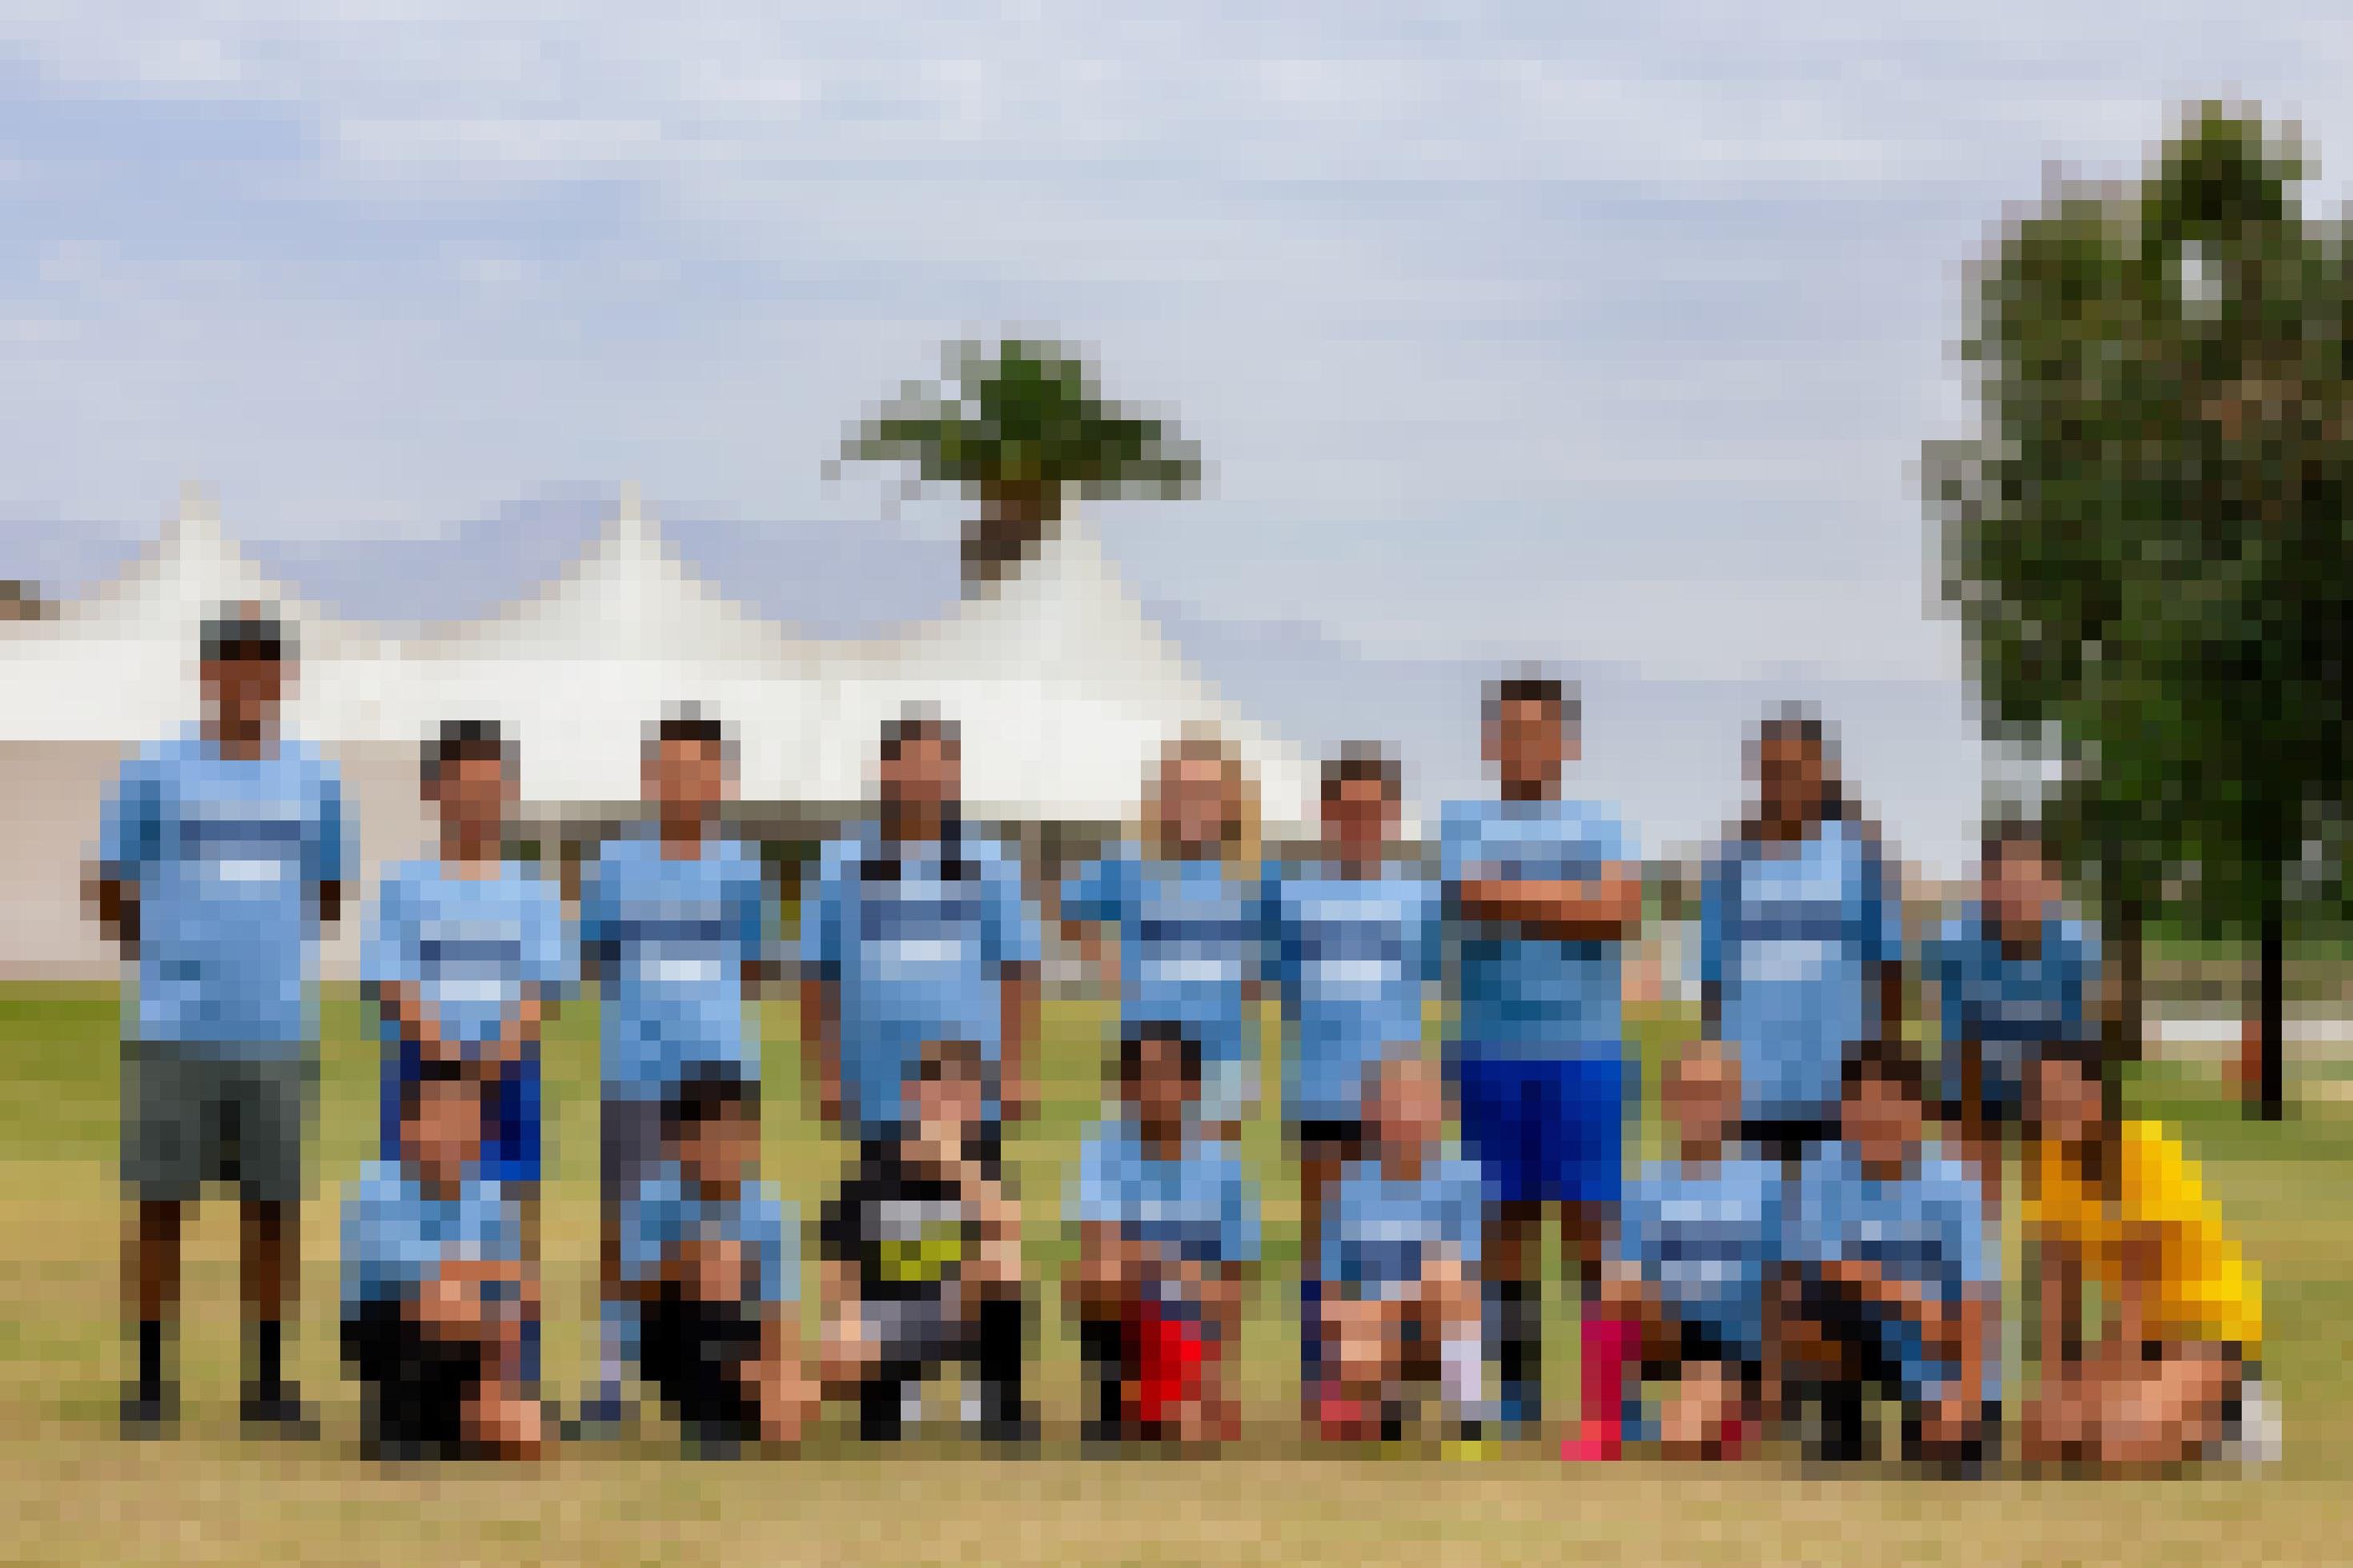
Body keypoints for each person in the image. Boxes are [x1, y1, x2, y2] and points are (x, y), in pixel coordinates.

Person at [93, 604, 351, 1438]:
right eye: (231, 664)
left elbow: (327, 895)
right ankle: (148, 1383)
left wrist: (259, 951)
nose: (247, 680)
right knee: (159, 1202)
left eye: (263, 665)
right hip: (173, 1028)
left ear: (285, 678)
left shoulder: (316, 778)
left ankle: (268, 1384)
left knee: (272, 1208)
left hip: (276, 1026)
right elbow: (111, 883)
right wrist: (163, 954)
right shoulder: (154, 770)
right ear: (206, 675)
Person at [1439, 672, 1644, 1451]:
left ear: (1568, 743)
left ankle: (1603, 1400)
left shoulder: (1601, 824)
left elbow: (1619, 914)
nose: (1526, 745)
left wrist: (1514, 898)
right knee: (1503, 1228)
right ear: (1490, 741)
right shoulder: (1463, 820)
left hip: (1585, 1050)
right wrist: (1570, 903)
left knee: (1592, 1229)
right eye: (1511, 730)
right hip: (1489, 1049)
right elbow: (1468, 898)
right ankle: (1518, 1394)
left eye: (1541, 730)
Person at [576, 708, 773, 1433]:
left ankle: (726, 1366)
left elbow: (751, 968)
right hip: (634, 1071)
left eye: (701, 769)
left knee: (725, 1228)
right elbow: (596, 961)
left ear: (723, 779)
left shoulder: (743, 866)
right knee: (624, 1224)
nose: (685, 782)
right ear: (649, 775)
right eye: (671, 768)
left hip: (720, 1080)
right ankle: (611, 1370)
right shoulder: (613, 864)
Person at [363, 720, 572, 1390]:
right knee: (419, 1228)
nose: (475, 799)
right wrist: (448, 1065)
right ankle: (417, 1380)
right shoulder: (404, 884)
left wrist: (494, 1058)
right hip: (423, 1083)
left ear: (508, 791)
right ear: (435, 791)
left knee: (512, 1229)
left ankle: (514, 1379)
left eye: (489, 785)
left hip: (508, 1082)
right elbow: (390, 983)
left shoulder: (532, 889)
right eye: (461, 785)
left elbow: (544, 990)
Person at [1261, 743, 1443, 1419]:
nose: (1360, 823)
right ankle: (1325, 1380)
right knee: (1325, 1240)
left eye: (1374, 810)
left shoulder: (1418, 896)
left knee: (1394, 1239)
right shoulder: (1290, 889)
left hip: (1394, 1101)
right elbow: (1277, 982)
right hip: (1319, 1088)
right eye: (1347, 810)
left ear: (1393, 815)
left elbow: (1424, 985)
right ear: (1325, 813)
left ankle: (1388, 1380)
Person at [801, 706, 1040, 1165]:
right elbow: (819, 977)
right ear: (885, 776)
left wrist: (1013, 1072)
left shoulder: (989, 864)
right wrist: (827, 1074)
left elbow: (1016, 974)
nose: (921, 782)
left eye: (934, 769)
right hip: (874, 1084)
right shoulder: (842, 864)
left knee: (974, 1215)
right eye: (909, 768)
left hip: (966, 1089)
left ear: (952, 778)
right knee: (884, 1219)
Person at [2018, 1039, 2271, 1468]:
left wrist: (2115, 1386)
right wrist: (2058, 1381)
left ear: (2098, 1097)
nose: (2056, 1106)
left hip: (2205, 1330)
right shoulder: (2048, 1166)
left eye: (2068, 1092)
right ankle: (2173, 1412)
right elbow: (2058, 1283)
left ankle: (2234, 1413)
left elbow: (2137, 1286)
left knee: (2117, 1450)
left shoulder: (2141, 1154)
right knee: (2043, 1437)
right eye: (2044, 1097)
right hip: (2146, 1338)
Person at [1772, 1038, 1999, 1468]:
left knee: (1948, 1464)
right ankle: (1840, 1432)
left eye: (1887, 1104)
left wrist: (1966, 1397)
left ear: (1917, 1110)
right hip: (1874, 1332)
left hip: (1940, 1351)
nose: (1873, 1120)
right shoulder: (1823, 1174)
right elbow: (1824, 1270)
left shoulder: (1958, 1188)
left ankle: (1937, 1413)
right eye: (1859, 1106)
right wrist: (1914, 1300)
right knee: (1811, 1302)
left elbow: (1975, 1309)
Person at [1699, 706, 1905, 1165]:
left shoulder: (1860, 858)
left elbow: (1887, 970)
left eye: (1796, 770)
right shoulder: (1729, 863)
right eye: (1772, 770)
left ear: (1822, 775)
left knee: (1833, 1227)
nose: (1783, 784)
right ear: (1754, 775)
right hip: (1753, 1091)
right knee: (1760, 1225)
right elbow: (1713, 980)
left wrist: (1881, 1074)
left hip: (1840, 1089)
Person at [818, 1037, 1032, 1443]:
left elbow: (1009, 1244)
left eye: (964, 1095)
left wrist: (961, 1171)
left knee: (1003, 1268)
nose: (951, 1106)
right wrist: (843, 1321)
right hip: (890, 1313)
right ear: (914, 1096)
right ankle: (892, 1400)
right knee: (856, 1338)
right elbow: (840, 1257)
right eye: (941, 1092)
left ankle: (995, 1406)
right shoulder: (875, 1164)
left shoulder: (986, 1165)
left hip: (958, 1306)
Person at [1060, 728, 1268, 1141]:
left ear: (1230, 802)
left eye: (1206, 791)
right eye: (1182, 790)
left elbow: (1274, 953)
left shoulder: (1252, 878)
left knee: (1210, 1177)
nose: (1193, 804)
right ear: (1163, 798)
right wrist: (1105, 960)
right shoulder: (1130, 866)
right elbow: (1073, 912)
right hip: (1147, 1060)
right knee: (1141, 1172)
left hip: (1221, 1061)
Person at [1066, 1022, 1259, 1448]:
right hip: (1137, 1308)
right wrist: (1173, 1266)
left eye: (1169, 1076)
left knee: (1197, 1433)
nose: (1157, 1089)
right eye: (1144, 1077)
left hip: (1192, 1314)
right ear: (1127, 1088)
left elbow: (1235, 1280)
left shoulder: (1224, 1163)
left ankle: (1193, 1391)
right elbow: (1099, 1254)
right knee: (1099, 1275)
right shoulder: (1103, 1149)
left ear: (1192, 1087)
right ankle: (1120, 1395)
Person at [340, 1061, 544, 1460]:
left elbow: (520, 1291)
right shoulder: (378, 1192)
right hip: (390, 1331)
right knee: (451, 1291)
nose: (452, 1135)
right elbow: (420, 1290)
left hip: (468, 1335)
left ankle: (481, 1406)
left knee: (521, 1430)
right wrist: (481, 1277)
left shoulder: (490, 1198)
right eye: (440, 1120)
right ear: (409, 1128)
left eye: (465, 1122)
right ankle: (431, 1414)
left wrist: (503, 1381)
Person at [1600, 1041, 1781, 1459]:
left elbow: (1780, 1291)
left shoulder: (1765, 1188)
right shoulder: (1645, 1187)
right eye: (1691, 1093)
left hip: (1735, 1343)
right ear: (1670, 1100)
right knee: (1612, 1300)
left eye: (1714, 1094)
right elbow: (1621, 1280)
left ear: (1735, 1103)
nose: (1703, 1107)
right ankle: (1615, 1421)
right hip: (1667, 1330)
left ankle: (1726, 1414)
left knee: (1682, 1435)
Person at [620, 1062, 814, 1451]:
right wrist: (689, 1262)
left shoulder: (768, 1212)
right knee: (713, 1261)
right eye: (707, 1138)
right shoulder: (657, 1200)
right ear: (678, 1145)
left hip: (741, 1333)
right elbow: (632, 1288)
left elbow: (777, 1310)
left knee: (784, 1411)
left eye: (734, 1135)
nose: (722, 1150)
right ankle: (716, 1397)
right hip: (672, 1333)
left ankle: (751, 1390)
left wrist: (780, 1374)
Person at [1316, 1051, 1488, 1450]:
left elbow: (1466, 1277)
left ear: (1439, 1112)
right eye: (1393, 1107)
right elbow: (1333, 1287)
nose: (1405, 1119)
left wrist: (1406, 1297)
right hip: (1376, 1322)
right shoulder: (1350, 1189)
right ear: (1372, 1117)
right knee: (1357, 1317)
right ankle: (1383, 1406)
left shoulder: (1461, 1179)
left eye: (1416, 1105)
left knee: (1448, 1280)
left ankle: (1466, 1413)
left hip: (1435, 1314)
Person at [1925, 818, 2101, 1205]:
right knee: (1965, 1103)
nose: (2018, 892)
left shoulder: (2074, 947)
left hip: (2044, 1068)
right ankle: (1971, 1214)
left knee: (2071, 1087)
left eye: (2030, 878)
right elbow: (1959, 1046)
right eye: (2006, 879)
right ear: (1986, 888)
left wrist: (2060, 1086)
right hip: (1980, 1067)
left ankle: (2061, 1208)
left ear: (2052, 886)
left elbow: (2075, 1043)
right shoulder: (1956, 945)